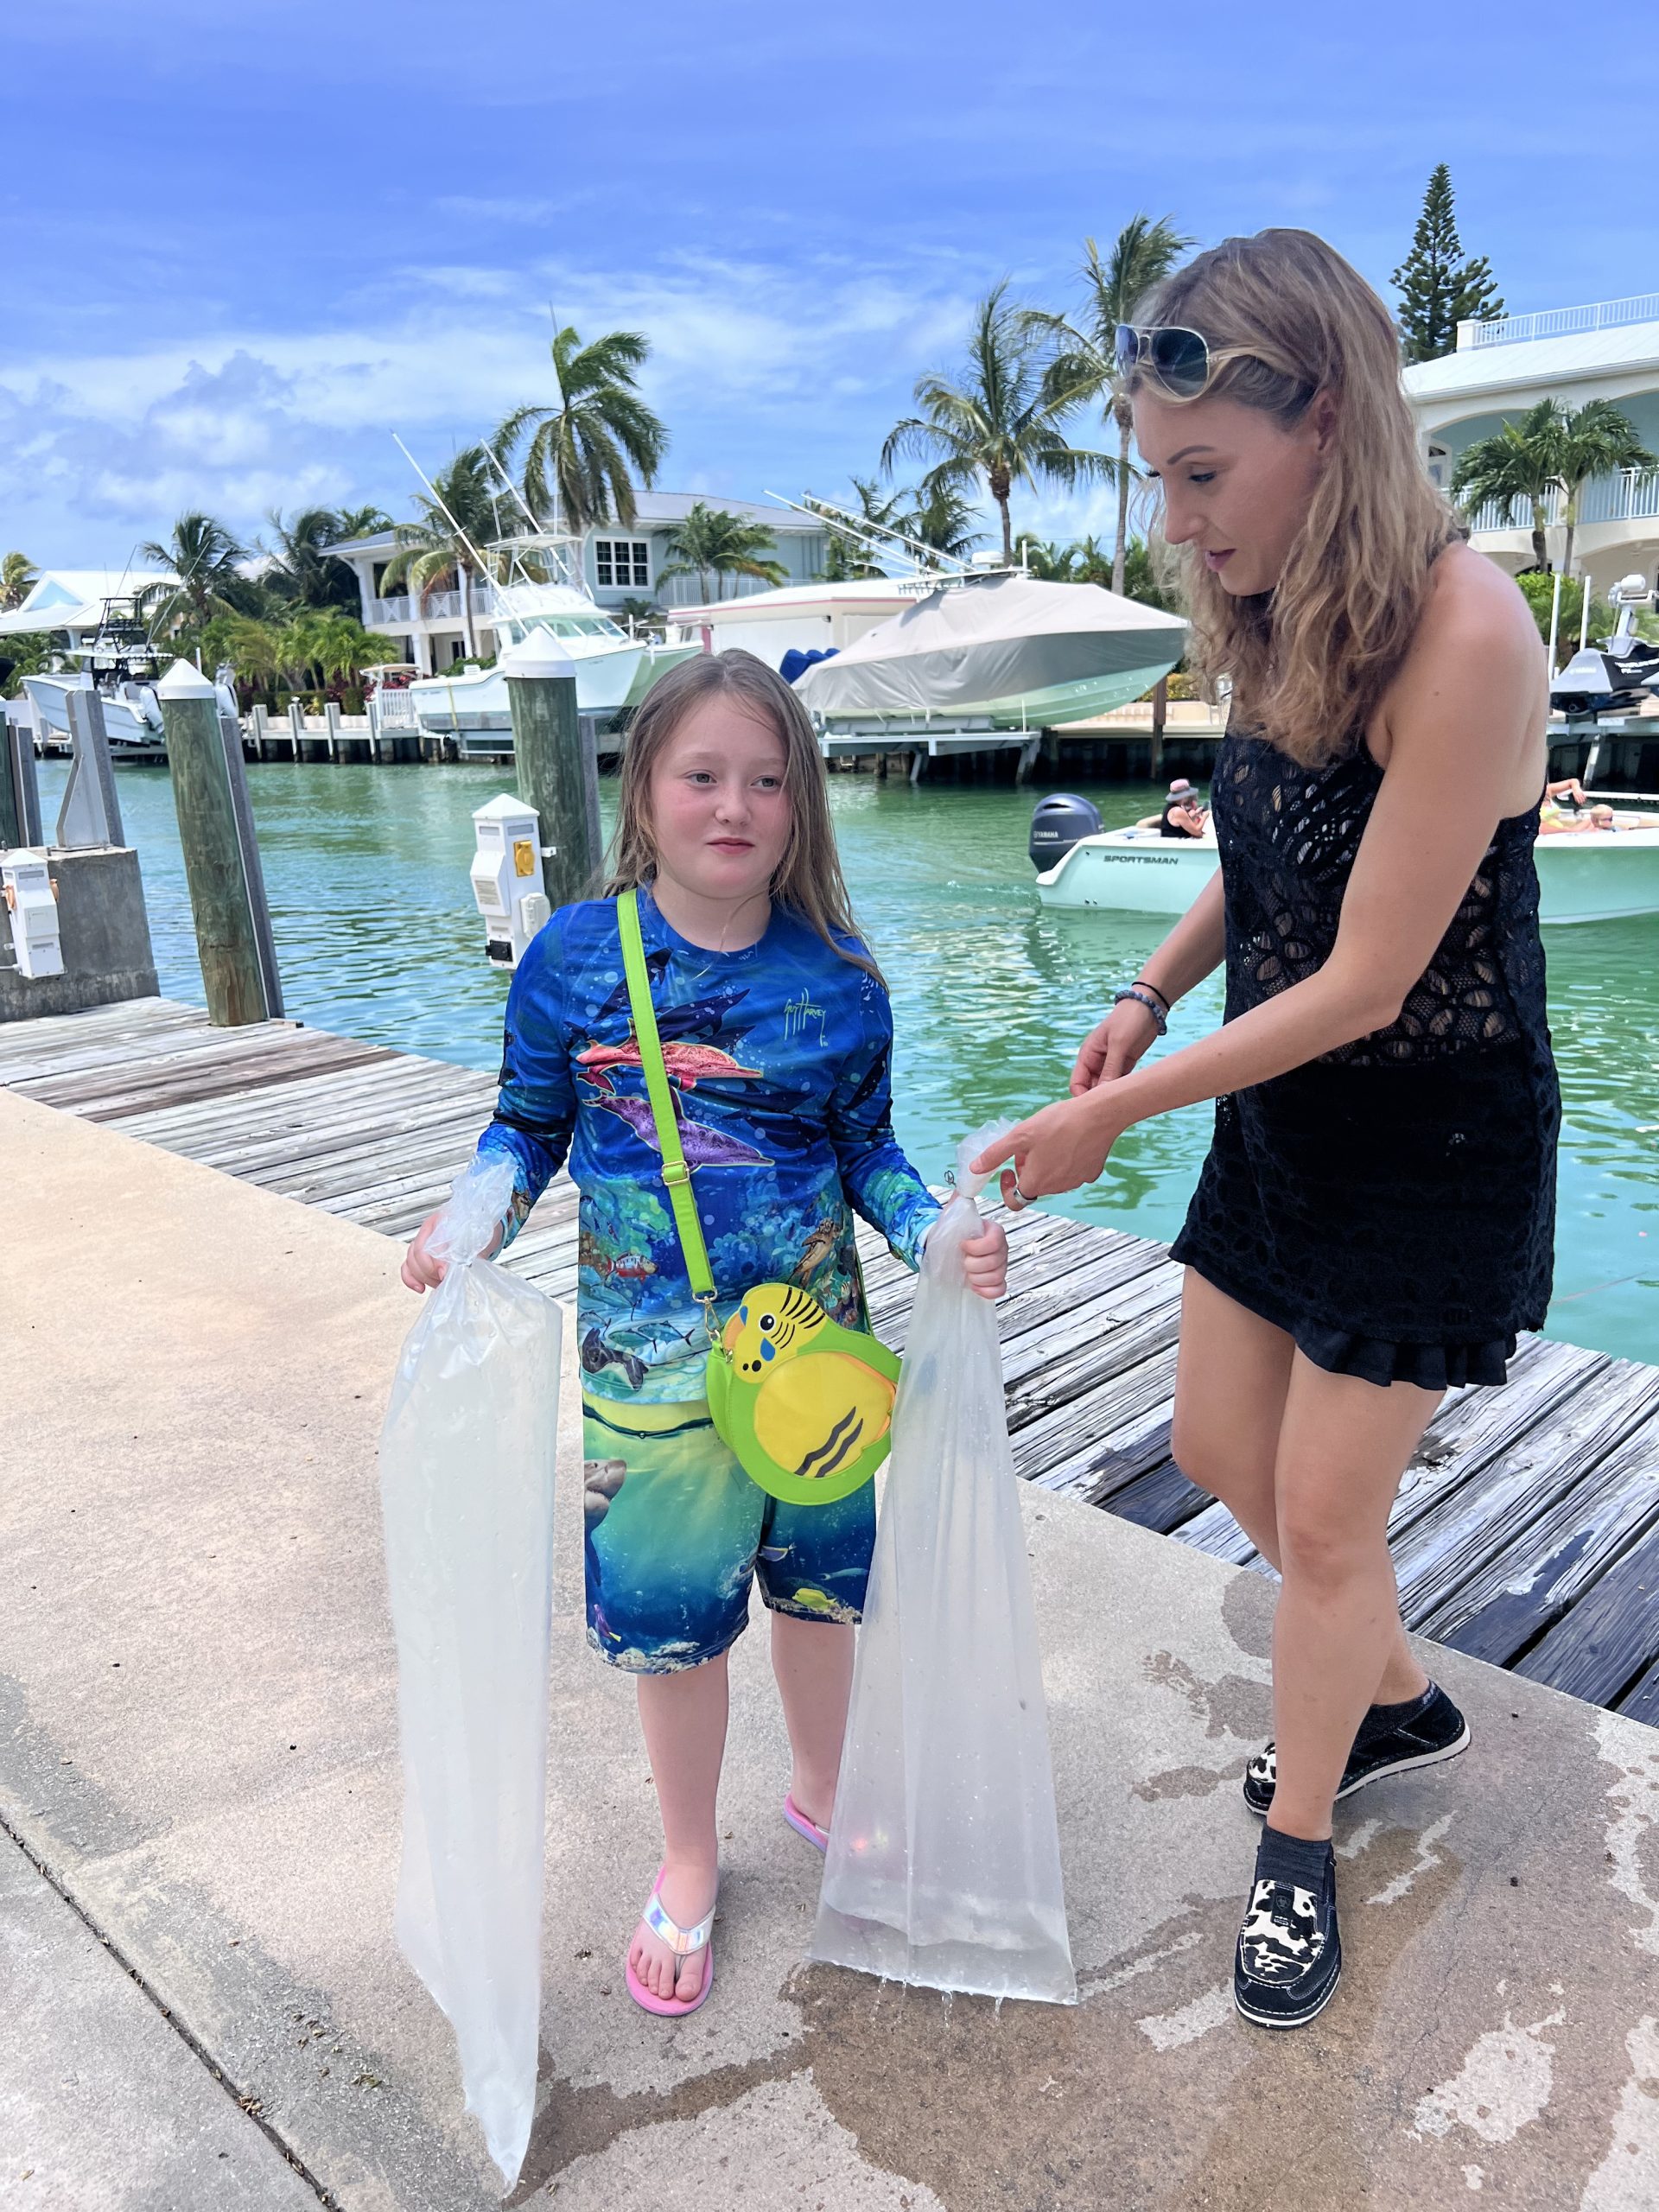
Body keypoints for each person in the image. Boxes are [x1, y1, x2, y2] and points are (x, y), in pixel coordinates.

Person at [976, 229, 1559, 2031]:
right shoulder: (1279, 603)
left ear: (1327, 417)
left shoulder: (1464, 629)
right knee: (1215, 1436)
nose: (1177, 521)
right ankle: (1390, 1689)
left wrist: (1114, 1114)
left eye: (1201, 475)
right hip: (1279, 1111)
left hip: (1430, 1132)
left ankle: (1301, 1841)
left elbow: (1377, 968)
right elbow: (1264, 863)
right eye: (1162, 479)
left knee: (1318, 1513)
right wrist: (1148, 992)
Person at [403, 650, 1008, 2018]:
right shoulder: (571, 958)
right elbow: (526, 1126)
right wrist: (468, 1222)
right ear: (646, 790)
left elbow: (871, 1156)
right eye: (703, 776)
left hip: (818, 1370)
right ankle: (688, 1857)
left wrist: (937, 1238)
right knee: (674, 1629)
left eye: (767, 781)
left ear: (800, 807)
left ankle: (822, 1789)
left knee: (820, 1595)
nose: (734, 806)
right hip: (648, 1379)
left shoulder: (843, 980)